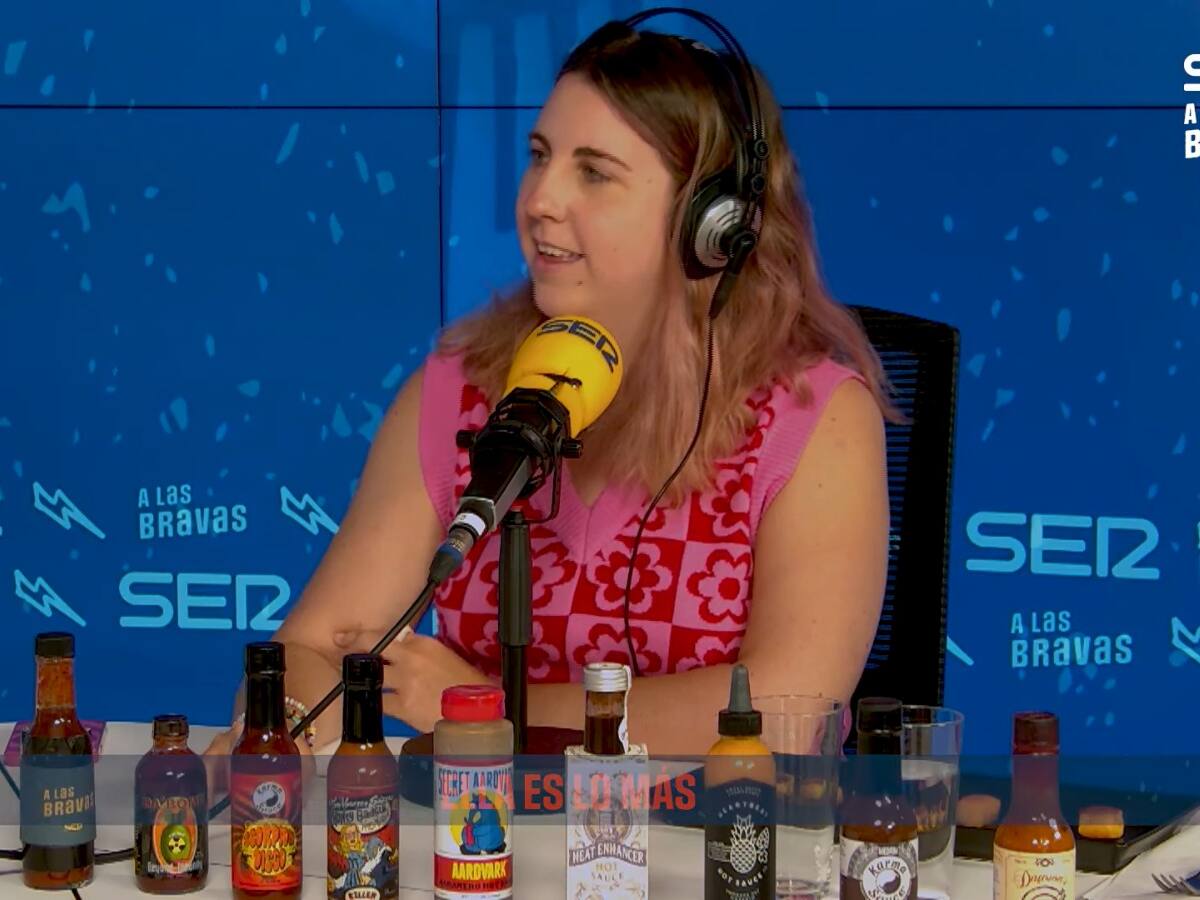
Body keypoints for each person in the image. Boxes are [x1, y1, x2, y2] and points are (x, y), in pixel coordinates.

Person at [203, 17, 892, 771]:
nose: (539, 199)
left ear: (711, 223)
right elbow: (315, 647)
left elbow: (789, 712)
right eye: (539, 156)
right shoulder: (461, 386)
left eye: (594, 172)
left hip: (722, 834)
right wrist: (279, 731)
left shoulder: (815, 418)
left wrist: (488, 707)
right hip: (484, 833)